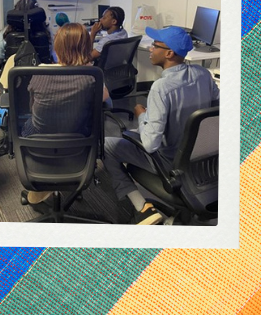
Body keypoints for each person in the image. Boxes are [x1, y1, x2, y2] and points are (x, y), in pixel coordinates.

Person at [103, 26, 220, 225]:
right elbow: (216, 109)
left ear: (169, 53)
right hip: (203, 161)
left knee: (106, 146)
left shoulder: (161, 88)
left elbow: (149, 145)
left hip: (170, 162)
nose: (150, 49)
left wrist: (141, 115)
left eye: (154, 45)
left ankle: (142, 208)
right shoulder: (203, 74)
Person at [17, 22, 110, 205]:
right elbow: (104, 97)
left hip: (38, 139)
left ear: (57, 47)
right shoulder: (93, 77)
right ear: (86, 48)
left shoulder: (39, 74)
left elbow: (31, 108)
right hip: (78, 139)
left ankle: (45, 181)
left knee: (30, 122)